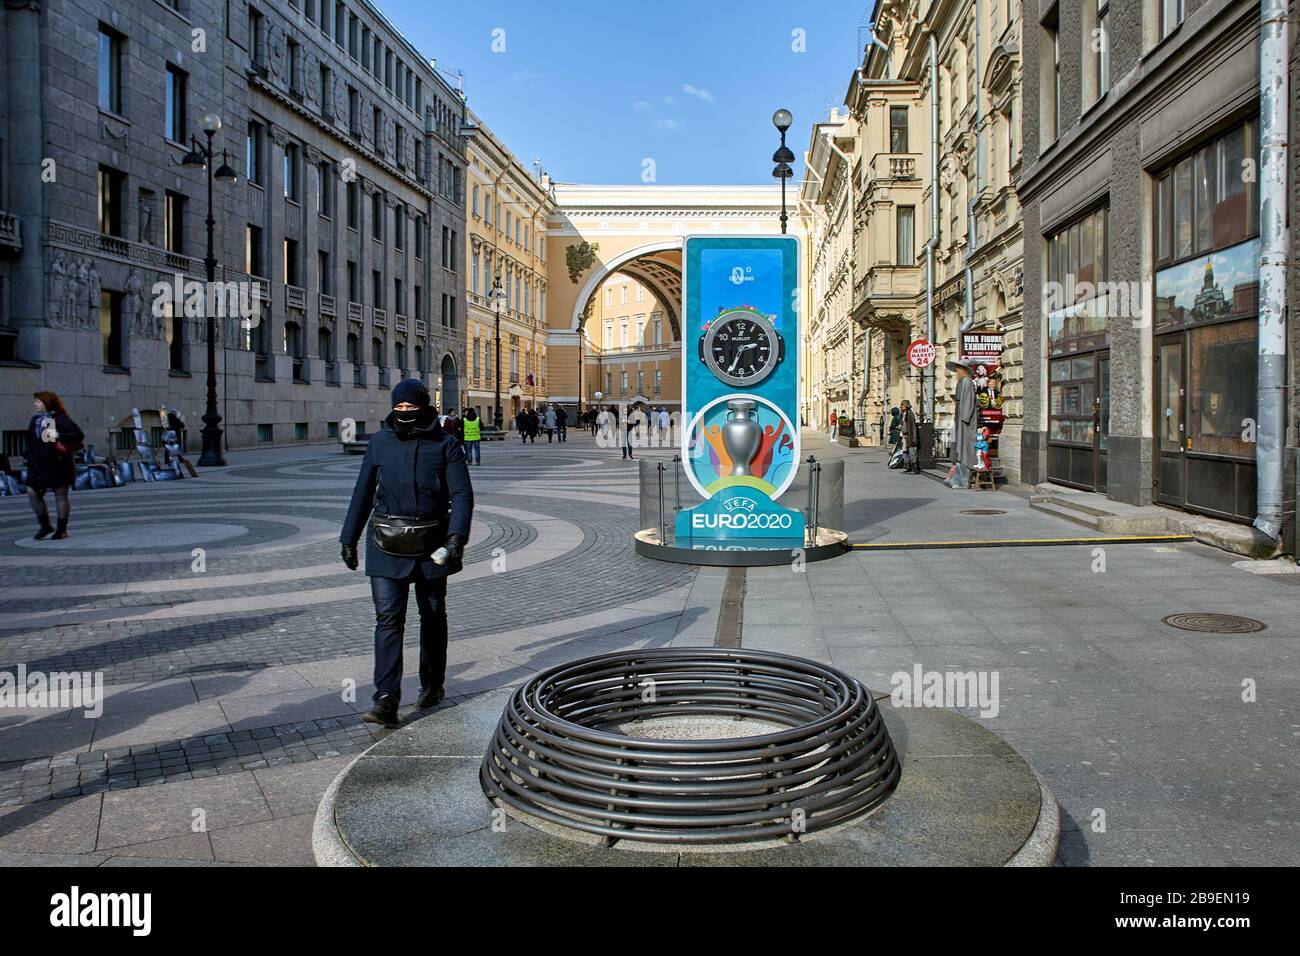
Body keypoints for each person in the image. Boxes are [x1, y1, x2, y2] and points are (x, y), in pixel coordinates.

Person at [340, 379, 473, 728]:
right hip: (386, 544)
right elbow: (363, 492)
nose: (403, 414)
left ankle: (433, 684)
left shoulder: (446, 445)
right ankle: (386, 698)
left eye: (410, 408)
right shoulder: (380, 443)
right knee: (387, 619)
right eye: (398, 408)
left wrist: (457, 538)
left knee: (431, 615)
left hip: (432, 546)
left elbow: (461, 495)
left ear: (424, 407)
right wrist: (348, 537)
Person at [24, 391, 84, 540]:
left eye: (38, 401)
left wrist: (58, 435)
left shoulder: (60, 418)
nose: (35, 404)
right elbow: (31, 441)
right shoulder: (36, 420)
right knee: (32, 491)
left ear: (47, 403)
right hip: (38, 464)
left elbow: (78, 435)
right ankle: (45, 525)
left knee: (60, 494)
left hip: (58, 462)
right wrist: (28, 457)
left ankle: (61, 529)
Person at [947, 359, 979, 490]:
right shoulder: (962, 382)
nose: (956, 372)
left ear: (963, 370)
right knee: (960, 447)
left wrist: (964, 417)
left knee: (965, 447)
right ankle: (959, 479)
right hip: (960, 418)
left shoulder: (967, 382)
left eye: (958, 369)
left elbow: (969, 401)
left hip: (965, 421)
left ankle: (964, 480)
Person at [899, 400, 920, 474]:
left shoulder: (910, 414)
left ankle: (915, 469)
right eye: (901, 405)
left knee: (911, 452)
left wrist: (914, 437)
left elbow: (913, 426)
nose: (901, 406)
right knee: (905, 452)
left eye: (903, 405)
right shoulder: (903, 414)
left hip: (910, 436)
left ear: (906, 406)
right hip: (904, 436)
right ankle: (908, 467)